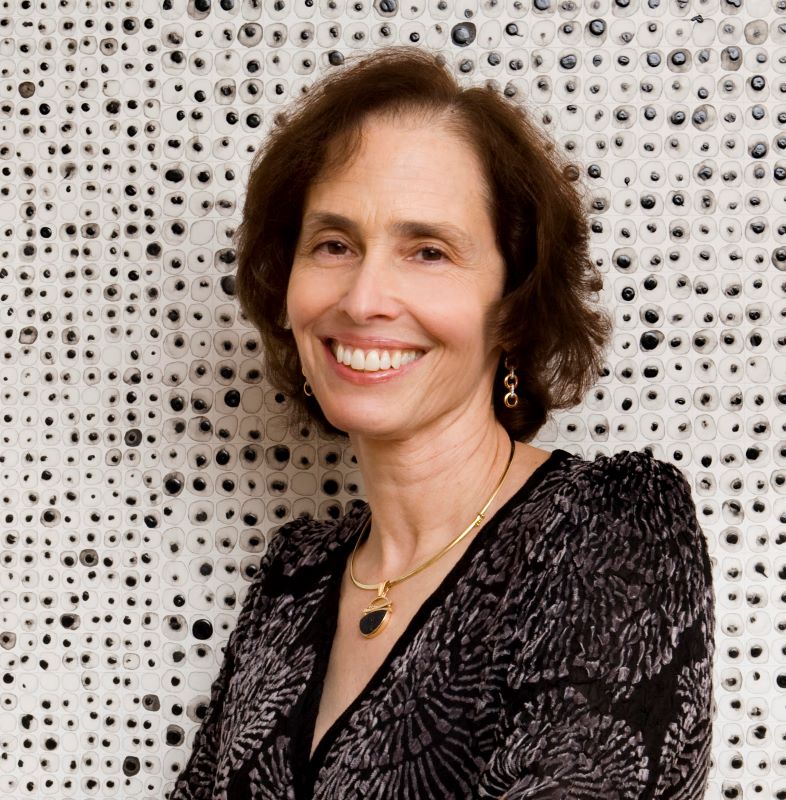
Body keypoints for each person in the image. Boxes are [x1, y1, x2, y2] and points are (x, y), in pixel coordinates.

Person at [169, 46, 715, 800]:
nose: (363, 299)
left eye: (427, 251)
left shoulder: (608, 527)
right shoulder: (293, 580)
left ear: (514, 306)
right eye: (333, 244)